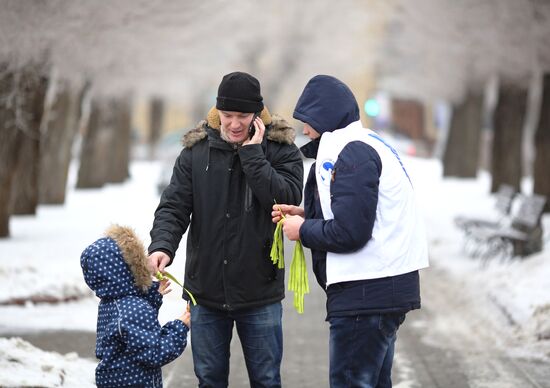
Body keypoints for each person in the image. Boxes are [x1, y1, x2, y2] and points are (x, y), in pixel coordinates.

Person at [147, 71, 304, 387]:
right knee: (209, 380)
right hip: (205, 293)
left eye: (242, 115)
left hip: (260, 292)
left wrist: (252, 154)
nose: (234, 123)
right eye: (227, 114)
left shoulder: (280, 149)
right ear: (217, 111)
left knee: (266, 380)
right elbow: (174, 206)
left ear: (257, 115)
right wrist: (162, 245)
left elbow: (287, 197)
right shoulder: (196, 151)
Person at [272, 75, 429, 388]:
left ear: (326, 117)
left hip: (366, 293)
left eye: (308, 121)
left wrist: (303, 230)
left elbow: (350, 232)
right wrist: (308, 213)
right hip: (382, 290)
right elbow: (360, 211)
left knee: (350, 382)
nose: (305, 130)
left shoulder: (350, 151)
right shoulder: (365, 143)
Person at [80, 224, 190, 388]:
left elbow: (135, 329)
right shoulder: (134, 309)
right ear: (129, 268)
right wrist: (180, 326)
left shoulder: (110, 303)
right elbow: (155, 352)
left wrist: (153, 294)